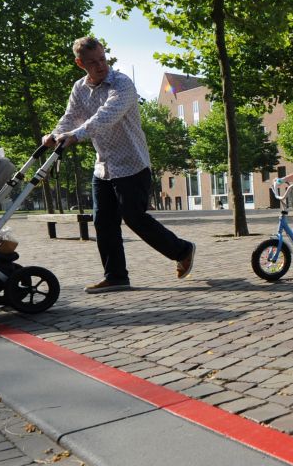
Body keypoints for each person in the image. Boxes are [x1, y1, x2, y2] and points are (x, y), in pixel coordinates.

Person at [43, 37, 197, 292]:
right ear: (80, 63)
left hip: (132, 163)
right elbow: (71, 116)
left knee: (134, 217)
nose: (101, 66)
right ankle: (116, 276)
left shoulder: (122, 83)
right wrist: (54, 134)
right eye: (93, 62)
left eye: (103, 59)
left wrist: (76, 136)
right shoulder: (79, 88)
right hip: (103, 166)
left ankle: (182, 249)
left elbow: (107, 115)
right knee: (103, 221)